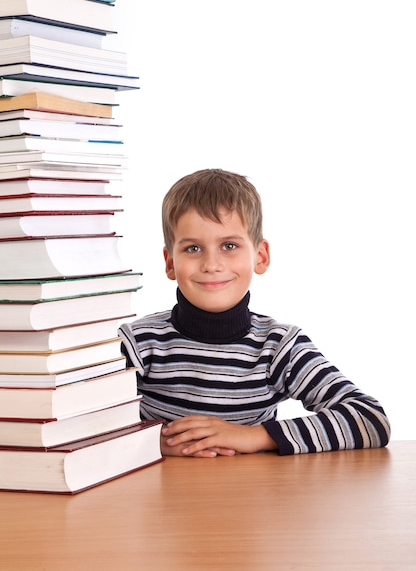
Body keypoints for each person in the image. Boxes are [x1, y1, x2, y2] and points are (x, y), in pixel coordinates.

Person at [118, 168, 391, 458]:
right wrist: (148, 442)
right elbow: (76, 426)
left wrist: (254, 437)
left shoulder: (279, 346)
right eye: (193, 248)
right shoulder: (138, 343)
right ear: (170, 262)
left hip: (254, 498)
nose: (212, 264)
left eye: (229, 246)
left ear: (260, 257)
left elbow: (370, 419)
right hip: (159, 498)